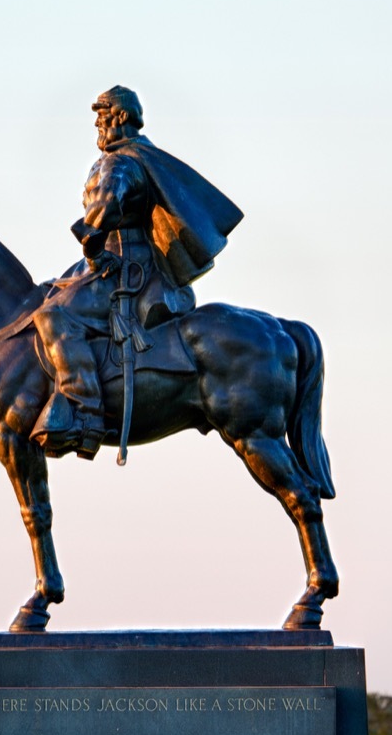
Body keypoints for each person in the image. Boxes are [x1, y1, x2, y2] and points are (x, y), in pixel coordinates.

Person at [31, 86, 244, 458]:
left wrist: (92, 239)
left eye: (103, 115)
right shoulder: (134, 156)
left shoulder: (120, 162)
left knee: (52, 314)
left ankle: (85, 410)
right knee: (50, 293)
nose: (98, 123)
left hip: (126, 267)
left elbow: (106, 205)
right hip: (117, 262)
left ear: (120, 118)